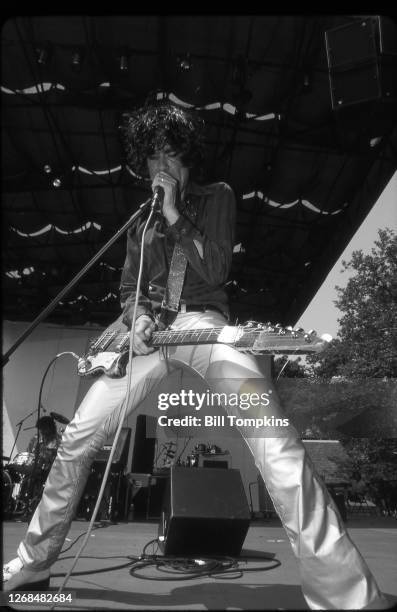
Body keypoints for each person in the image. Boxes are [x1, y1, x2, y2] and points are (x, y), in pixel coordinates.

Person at [3, 102, 389, 609]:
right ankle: (31, 566)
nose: (161, 167)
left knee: (273, 437)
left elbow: (218, 268)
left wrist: (174, 214)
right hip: (152, 335)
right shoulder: (140, 228)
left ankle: (346, 594)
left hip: (206, 324)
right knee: (77, 438)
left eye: (171, 156)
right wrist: (136, 315)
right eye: (152, 158)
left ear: (188, 158)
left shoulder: (217, 197)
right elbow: (127, 290)